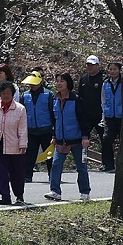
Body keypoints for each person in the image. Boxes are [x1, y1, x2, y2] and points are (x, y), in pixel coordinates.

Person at [46, 73, 90, 201]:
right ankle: (55, 191)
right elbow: (54, 120)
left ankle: (85, 192)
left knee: (81, 167)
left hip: (76, 140)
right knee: (56, 164)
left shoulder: (76, 99)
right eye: (57, 81)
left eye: (62, 81)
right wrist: (54, 136)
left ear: (68, 83)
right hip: (60, 140)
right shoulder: (54, 99)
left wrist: (85, 137)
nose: (59, 83)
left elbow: (83, 120)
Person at [0, 80, 29, 205]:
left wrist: (23, 144)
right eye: (3, 93)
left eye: (8, 93)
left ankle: (19, 196)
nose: (6, 95)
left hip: (15, 145)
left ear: (12, 94)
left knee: (17, 173)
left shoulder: (20, 109)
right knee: (2, 173)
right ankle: (5, 196)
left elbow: (23, 128)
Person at [19, 72, 55, 181]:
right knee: (29, 156)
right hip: (31, 131)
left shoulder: (49, 95)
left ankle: (53, 176)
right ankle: (27, 176)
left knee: (49, 156)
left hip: (46, 130)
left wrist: (54, 132)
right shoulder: (25, 96)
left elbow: (53, 113)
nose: (32, 85)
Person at [77, 56, 105, 164]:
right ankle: (82, 161)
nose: (90, 67)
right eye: (88, 65)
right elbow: (80, 96)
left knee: (104, 139)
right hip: (86, 115)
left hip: (100, 115)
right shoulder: (83, 79)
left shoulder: (103, 78)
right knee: (83, 139)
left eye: (92, 65)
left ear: (97, 65)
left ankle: (106, 163)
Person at [100, 62, 123, 173]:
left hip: (122, 116)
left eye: (115, 69)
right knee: (106, 139)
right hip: (110, 116)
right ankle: (108, 164)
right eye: (111, 69)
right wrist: (103, 116)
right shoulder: (105, 83)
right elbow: (103, 100)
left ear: (119, 70)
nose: (113, 71)